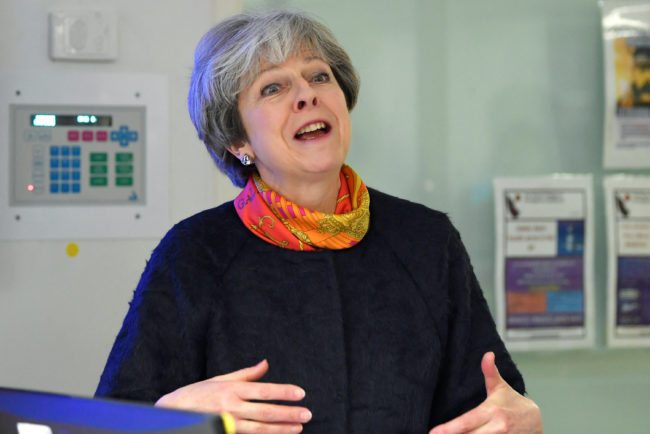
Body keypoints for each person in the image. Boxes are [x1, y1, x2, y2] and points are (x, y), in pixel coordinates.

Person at [96, 10, 542, 434]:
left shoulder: (426, 239)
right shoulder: (194, 253)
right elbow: (113, 420)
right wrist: (170, 416)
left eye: (319, 76)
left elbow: (492, 407)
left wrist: (523, 417)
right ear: (237, 140)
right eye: (272, 88)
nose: (306, 93)